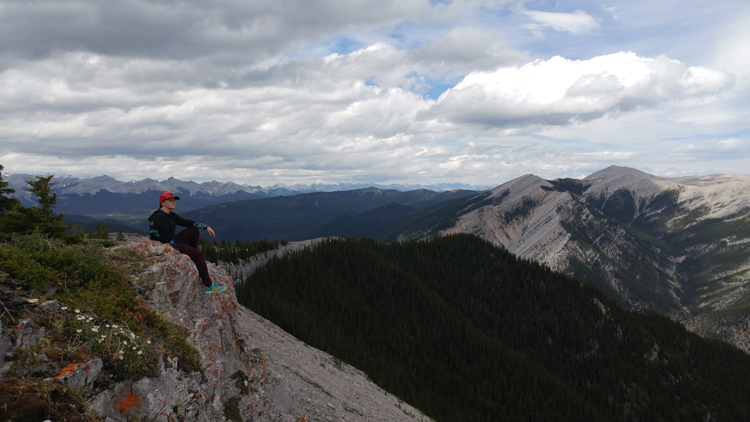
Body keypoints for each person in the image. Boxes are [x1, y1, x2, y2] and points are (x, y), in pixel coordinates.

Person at [148, 192, 226, 293]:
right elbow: (165, 238)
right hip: (165, 247)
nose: (173, 202)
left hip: (171, 242)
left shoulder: (170, 215)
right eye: (170, 200)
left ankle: (193, 256)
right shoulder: (159, 217)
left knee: (193, 230)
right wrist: (178, 253)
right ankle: (209, 286)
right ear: (163, 203)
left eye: (174, 200)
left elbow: (186, 222)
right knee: (200, 255)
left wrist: (205, 226)